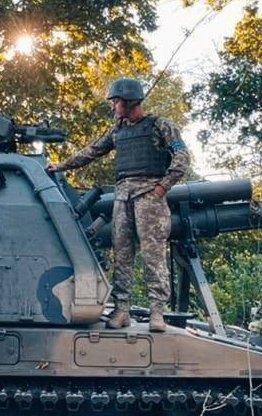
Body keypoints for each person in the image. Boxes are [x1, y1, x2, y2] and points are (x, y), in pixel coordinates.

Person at [47, 78, 190, 331]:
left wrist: (163, 186)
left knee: (153, 255)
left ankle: (157, 312)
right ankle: (121, 310)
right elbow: (92, 151)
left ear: (130, 101)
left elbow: (182, 156)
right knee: (122, 255)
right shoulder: (118, 130)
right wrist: (61, 165)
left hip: (150, 196)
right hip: (123, 197)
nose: (113, 107)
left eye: (115, 102)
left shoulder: (161, 125)